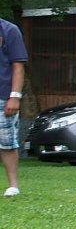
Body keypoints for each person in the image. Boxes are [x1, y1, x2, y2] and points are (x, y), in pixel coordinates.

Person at [1, 18, 27, 198]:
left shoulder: (9, 30)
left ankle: (13, 186)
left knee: (7, 142)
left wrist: (15, 96)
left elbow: (18, 66)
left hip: (3, 97)